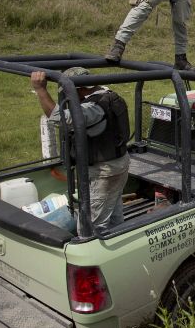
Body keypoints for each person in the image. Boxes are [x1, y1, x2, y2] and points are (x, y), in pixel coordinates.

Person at [30, 67, 130, 233]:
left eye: (69, 93)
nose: (68, 97)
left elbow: (58, 118)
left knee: (90, 225)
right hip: (116, 165)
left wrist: (40, 89)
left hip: (104, 172)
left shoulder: (93, 108)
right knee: (113, 214)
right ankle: (117, 239)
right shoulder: (107, 95)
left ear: (80, 89)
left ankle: (92, 247)